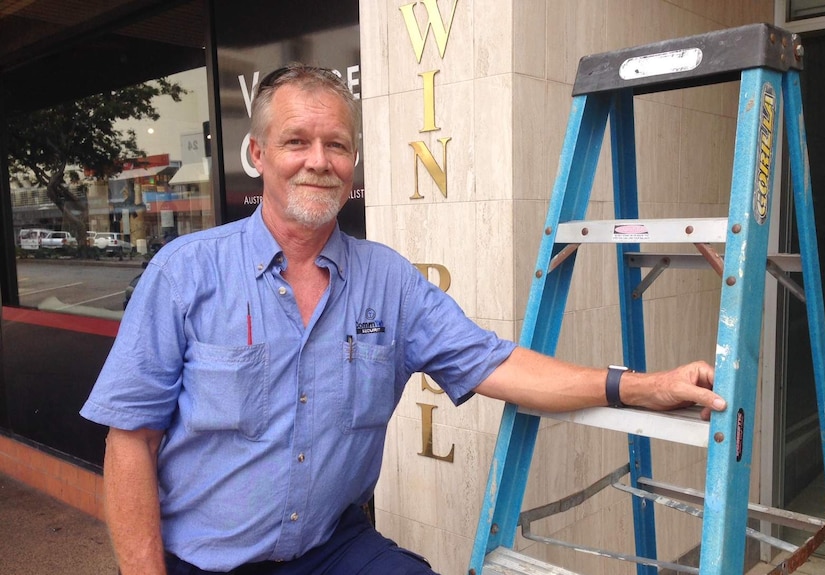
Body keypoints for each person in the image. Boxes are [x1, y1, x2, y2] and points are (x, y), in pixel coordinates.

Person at [80, 64, 726, 575]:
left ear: (353, 162)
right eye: (296, 141)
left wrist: (639, 385)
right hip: (202, 561)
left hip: (329, 550)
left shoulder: (386, 280)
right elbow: (129, 440)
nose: (318, 160)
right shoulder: (185, 272)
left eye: (336, 144)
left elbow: (494, 361)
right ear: (257, 153)